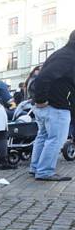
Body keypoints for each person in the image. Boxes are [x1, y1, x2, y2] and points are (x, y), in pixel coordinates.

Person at [29, 29, 75, 181]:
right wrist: (41, 99)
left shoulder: (62, 54)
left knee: (43, 136)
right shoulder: (69, 57)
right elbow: (43, 77)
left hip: (49, 105)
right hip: (56, 105)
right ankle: (44, 171)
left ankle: (36, 168)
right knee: (55, 139)